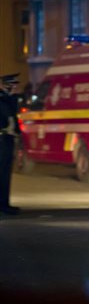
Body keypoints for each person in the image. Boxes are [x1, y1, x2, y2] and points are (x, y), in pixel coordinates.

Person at [0, 73, 21, 215]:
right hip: (1, 138)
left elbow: (14, 113)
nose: (14, 87)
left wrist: (12, 97)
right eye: (11, 85)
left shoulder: (7, 98)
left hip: (7, 139)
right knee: (1, 173)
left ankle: (5, 204)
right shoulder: (1, 99)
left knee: (6, 174)